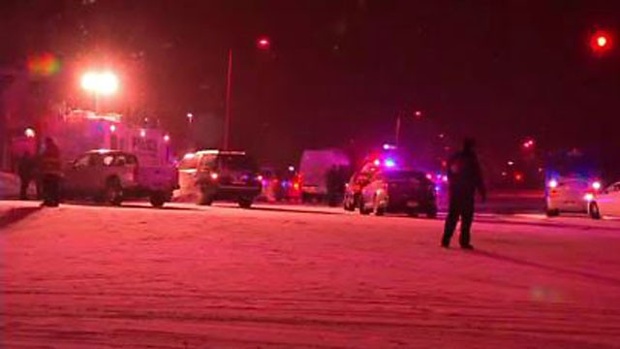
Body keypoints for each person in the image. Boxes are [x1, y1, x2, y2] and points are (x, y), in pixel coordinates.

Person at [441, 138, 486, 249]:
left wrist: (452, 184)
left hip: (456, 192)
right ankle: (464, 241)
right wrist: (482, 191)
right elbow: (477, 176)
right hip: (467, 193)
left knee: (452, 216)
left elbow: (449, 172)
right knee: (466, 218)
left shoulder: (455, 157)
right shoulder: (472, 159)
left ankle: (446, 240)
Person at [39, 137, 63, 207]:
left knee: (48, 187)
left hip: (48, 172)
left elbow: (43, 158)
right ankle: (55, 201)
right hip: (55, 172)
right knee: (54, 187)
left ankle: (48, 201)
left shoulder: (47, 149)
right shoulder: (56, 149)